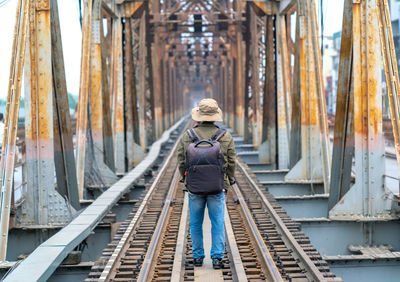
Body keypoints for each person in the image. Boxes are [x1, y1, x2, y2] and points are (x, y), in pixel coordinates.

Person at [177, 98, 236, 269]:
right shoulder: (225, 137)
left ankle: (197, 257)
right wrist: (228, 183)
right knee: (217, 221)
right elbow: (231, 163)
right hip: (216, 186)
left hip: (195, 186)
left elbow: (181, 161)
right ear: (216, 116)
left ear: (199, 116)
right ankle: (217, 258)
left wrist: (186, 180)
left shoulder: (188, 136)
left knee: (195, 222)